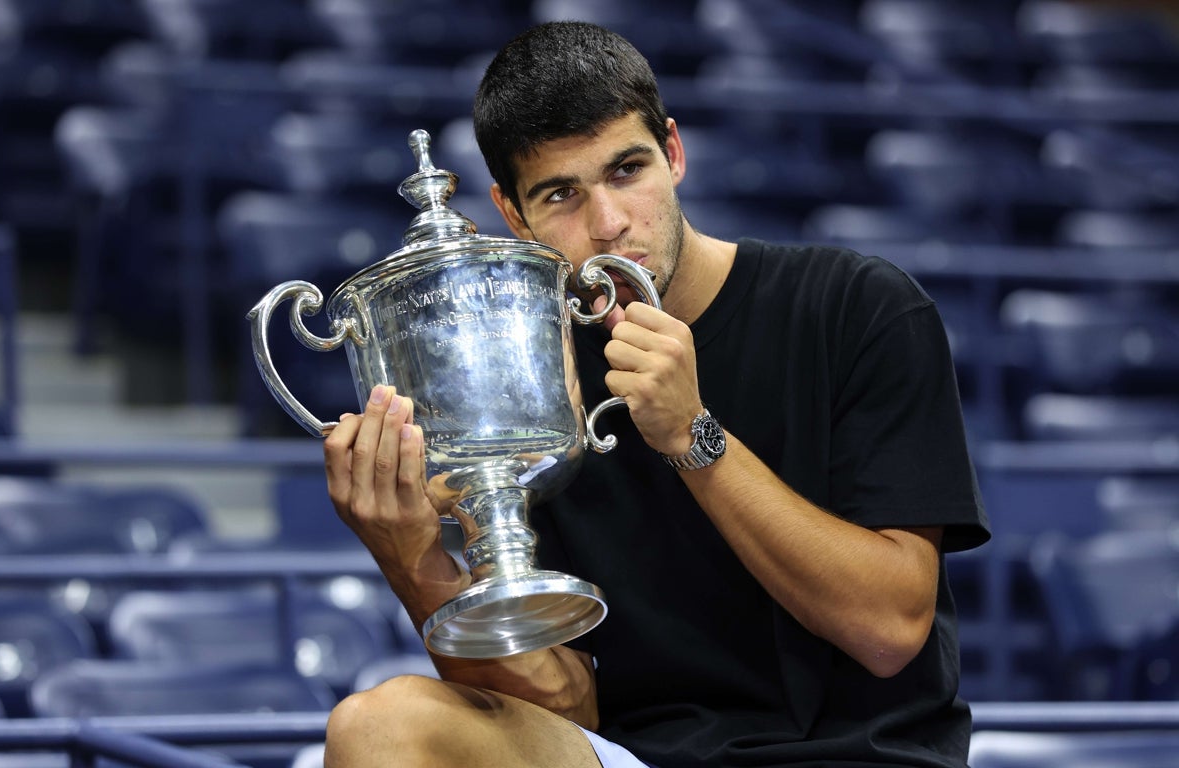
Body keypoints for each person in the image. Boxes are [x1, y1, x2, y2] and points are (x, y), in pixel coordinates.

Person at [321, 20, 991, 768]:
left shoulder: (859, 306)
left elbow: (891, 630)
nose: (608, 226)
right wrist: (413, 560)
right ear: (513, 216)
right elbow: (567, 705)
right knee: (378, 725)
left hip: (864, 760)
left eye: (626, 171)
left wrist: (693, 437)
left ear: (673, 153)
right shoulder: (537, 382)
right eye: (560, 195)